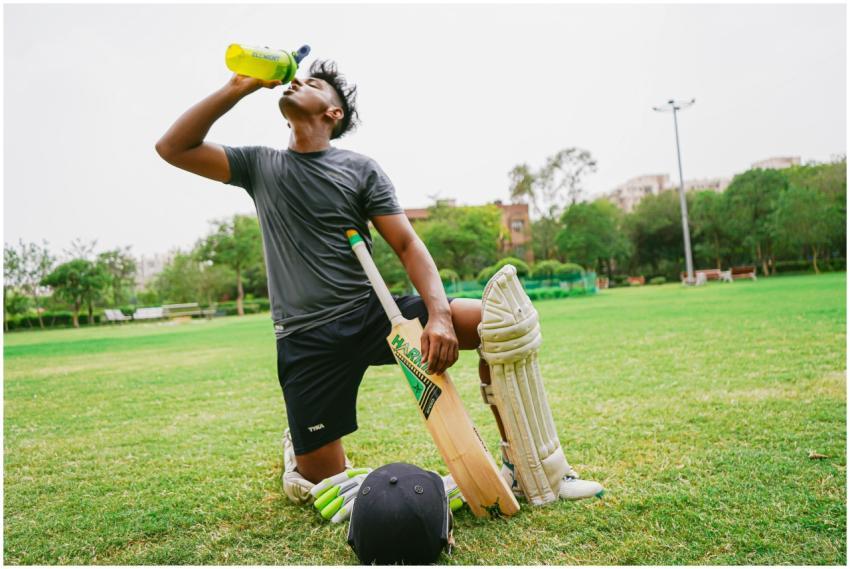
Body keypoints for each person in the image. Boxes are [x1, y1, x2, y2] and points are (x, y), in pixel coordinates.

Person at [155, 59, 602, 509]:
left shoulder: (359, 169)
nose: (297, 82)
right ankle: (301, 455)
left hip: (372, 314)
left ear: (334, 114)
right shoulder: (259, 165)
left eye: (313, 83)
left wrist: (441, 318)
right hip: (306, 339)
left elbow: (407, 244)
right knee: (326, 486)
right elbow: (173, 147)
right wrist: (239, 86)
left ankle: (535, 469)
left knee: (496, 322)